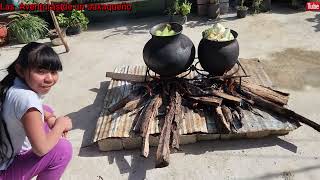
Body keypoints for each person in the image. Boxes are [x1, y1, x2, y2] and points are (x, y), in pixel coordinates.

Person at [0, 42, 73, 180]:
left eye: (53, 71)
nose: (50, 78)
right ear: (21, 70)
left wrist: (49, 117)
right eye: (41, 71)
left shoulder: (11, 82)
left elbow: (34, 109)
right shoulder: (27, 99)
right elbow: (41, 149)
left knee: (46, 109)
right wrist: (60, 125)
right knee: (62, 149)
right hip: (4, 172)